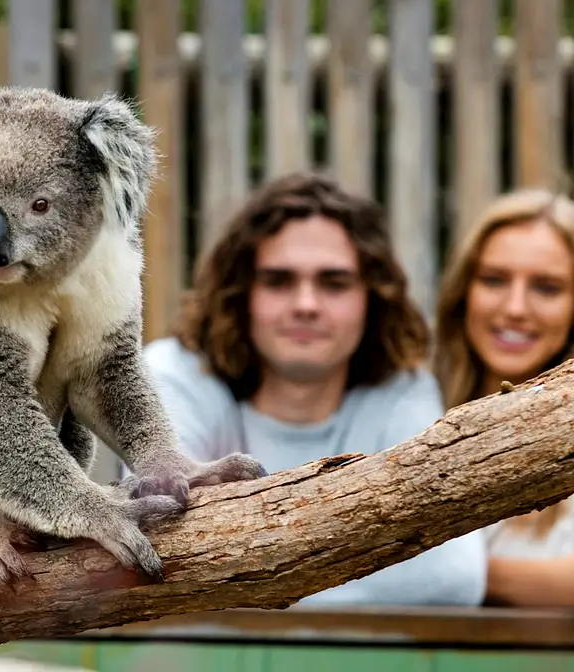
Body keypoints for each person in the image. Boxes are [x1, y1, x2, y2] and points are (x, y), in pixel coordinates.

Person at [141, 171, 487, 606]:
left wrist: (245, 587)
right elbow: (165, 545)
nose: (306, 304)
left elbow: (451, 577)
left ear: (371, 296)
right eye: (279, 280)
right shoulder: (177, 374)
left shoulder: (402, 392)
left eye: (334, 282)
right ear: (242, 291)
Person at [433, 188, 574, 607]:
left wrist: (440, 571)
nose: (515, 307)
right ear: (464, 292)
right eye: (494, 279)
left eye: (547, 288)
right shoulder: (412, 408)